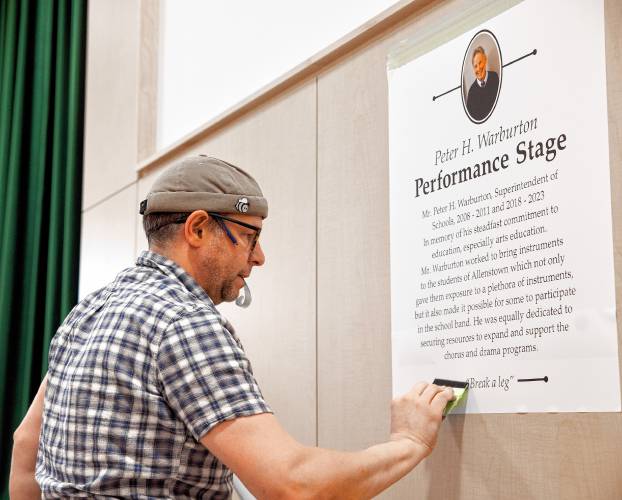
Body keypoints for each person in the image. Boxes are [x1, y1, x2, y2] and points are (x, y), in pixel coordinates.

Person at [10, 155, 454, 499]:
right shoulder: (184, 322)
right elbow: (292, 485)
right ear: (199, 228)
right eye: (250, 237)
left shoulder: (87, 311)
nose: (259, 257)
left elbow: (25, 448)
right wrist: (409, 441)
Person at [466, 45, 500, 121]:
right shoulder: (471, 92)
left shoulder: (494, 77)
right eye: (475, 66)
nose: (478, 68)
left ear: (485, 60)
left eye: (480, 63)